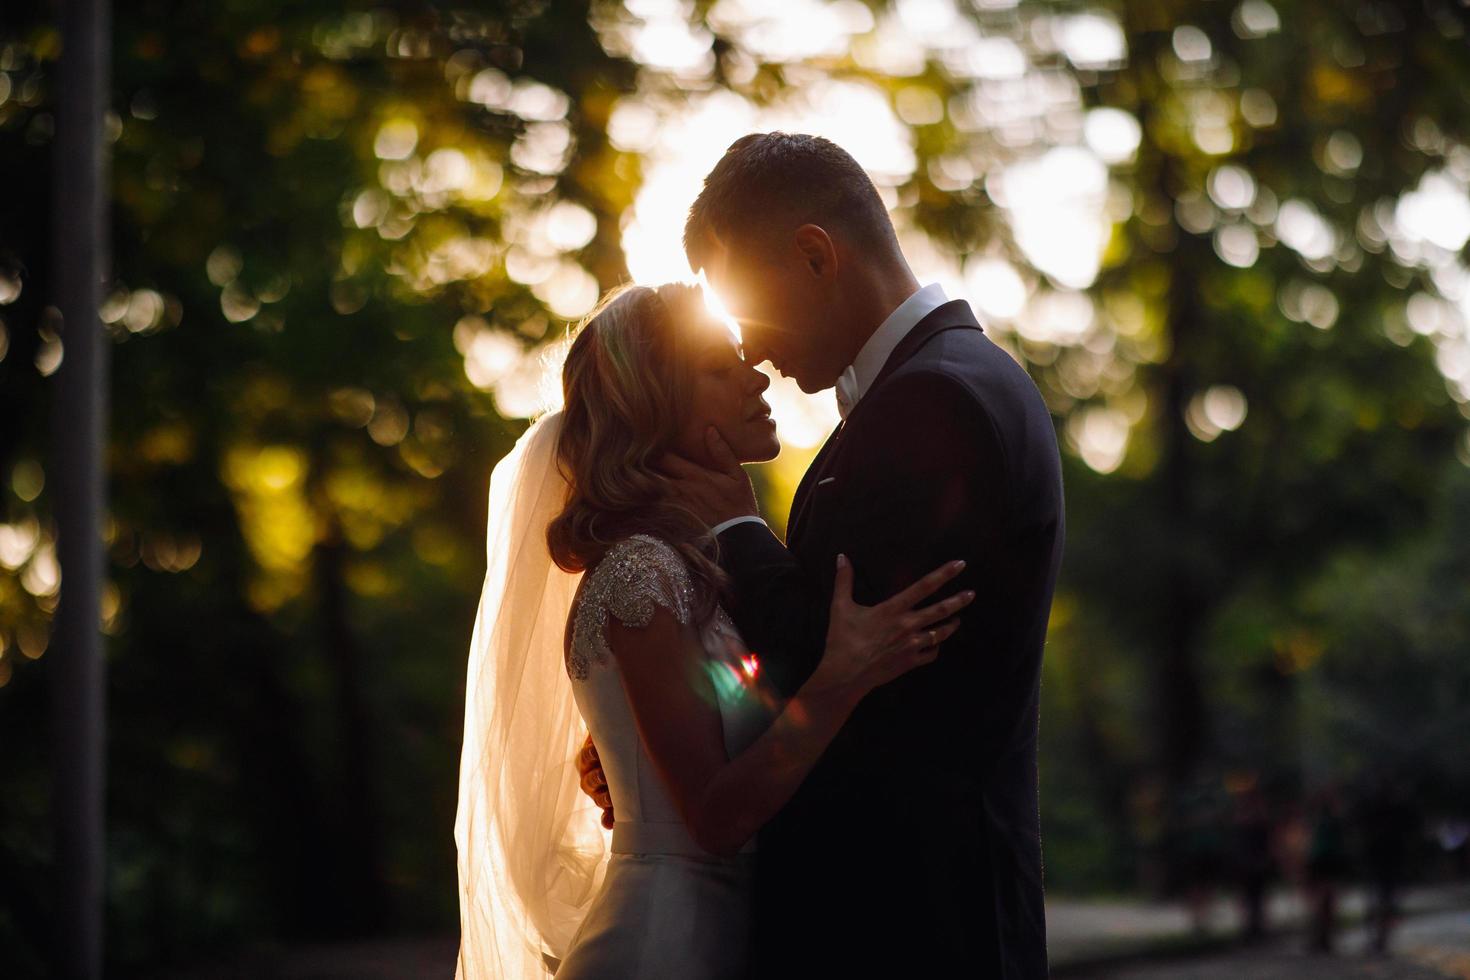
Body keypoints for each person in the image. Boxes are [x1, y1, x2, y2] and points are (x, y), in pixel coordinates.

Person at [580, 132, 1065, 977]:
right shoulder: (938, 387)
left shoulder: (935, 403)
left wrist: (738, 528)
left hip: (907, 927)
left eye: (750, 315)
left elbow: (835, 666)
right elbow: (805, 675)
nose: (755, 355)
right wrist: (656, 731)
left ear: (814, 256)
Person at [453, 280, 974, 979]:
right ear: (657, 408)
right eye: (719, 368)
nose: (755, 375)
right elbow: (716, 818)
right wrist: (841, 679)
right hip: (659, 948)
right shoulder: (642, 571)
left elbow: (736, 720)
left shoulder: (686, 568)